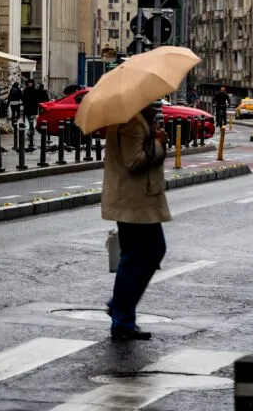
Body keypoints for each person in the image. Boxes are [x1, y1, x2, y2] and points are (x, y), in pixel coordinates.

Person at [102, 103, 170, 341]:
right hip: (133, 202)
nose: (158, 101)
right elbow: (134, 161)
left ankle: (120, 307)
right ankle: (122, 320)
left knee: (150, 253)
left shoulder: (140, 119)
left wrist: (157, 138)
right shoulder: (131, 122)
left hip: (140, 201)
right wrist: (159, 143)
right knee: (136, 257)